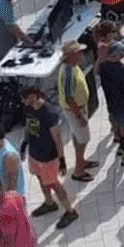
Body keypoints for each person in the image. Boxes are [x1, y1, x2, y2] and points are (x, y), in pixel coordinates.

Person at [19, 86, 79, 224]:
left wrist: (62, 159)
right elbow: (29, 126)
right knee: (41, 178)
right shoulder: (28, 108)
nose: (23, 102)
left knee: (54, 184)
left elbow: (57, 138)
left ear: (33, 96)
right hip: (35, 153)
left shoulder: (49, 113)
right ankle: (49, 203)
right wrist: (24, 144)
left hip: (48, 157)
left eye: (24, 99)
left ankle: (70, 211)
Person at [55, 41, 98, 182]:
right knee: (83, 139)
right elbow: (69, 98)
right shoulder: (68, 72)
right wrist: (79, 116)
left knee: (78, 137)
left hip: (78, 107)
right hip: (75, 110)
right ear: (71, 54)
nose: (81, 54)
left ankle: (82, 161)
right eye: (79, 52)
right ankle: (78, 171)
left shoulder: (72, 66)